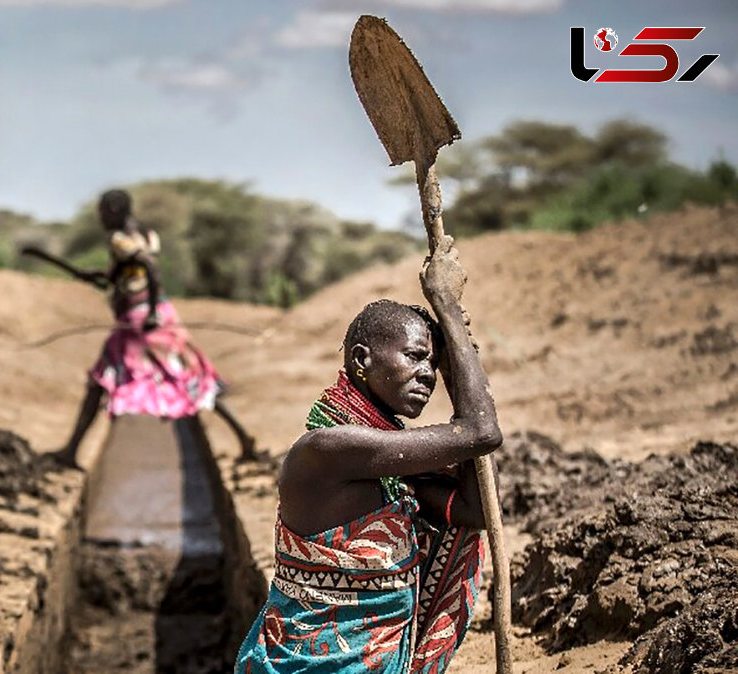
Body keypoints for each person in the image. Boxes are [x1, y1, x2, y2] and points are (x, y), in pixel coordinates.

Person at [235, 237, 502, 673]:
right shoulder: (330, 450)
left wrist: (458, 371)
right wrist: (447, 309)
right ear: (362, 359)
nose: (427, 375)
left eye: (434, 366)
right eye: (415, 357)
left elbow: (474, 511)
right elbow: (480, 432)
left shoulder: (392, 471)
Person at [53, 188, 257, 469]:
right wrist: (100, 276)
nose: (101, 219)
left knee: (101, 378)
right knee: (186, 375)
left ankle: (72, 450)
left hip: (141, 320)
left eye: (103, 212)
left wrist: (148, 313)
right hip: (163, 312)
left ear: (113, 209)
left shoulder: (119, 239)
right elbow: (131, 271)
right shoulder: (147, 234)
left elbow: (147, 268)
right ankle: (243, 437)